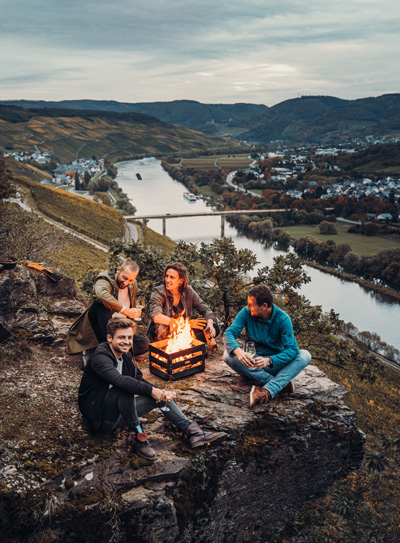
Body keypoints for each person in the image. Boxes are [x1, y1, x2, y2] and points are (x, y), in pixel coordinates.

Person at [78, 317, 227, 459]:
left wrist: (159, 392)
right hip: (98, 418)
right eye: (121, 337)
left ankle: (193, 432)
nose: (127, 342)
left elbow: (139, 379)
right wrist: (151, 391)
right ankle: (139, 437)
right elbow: (119, 380)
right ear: (110, 338)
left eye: (129, 338)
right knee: (124, 387)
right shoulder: (100, 357)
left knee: (156, 394)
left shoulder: (126, 356)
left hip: (117, 413)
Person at [223, 284, 311, 408]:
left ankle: (268, 389)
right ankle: (281, 384)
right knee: (227, 355)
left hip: (274, 363)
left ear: (264, 306)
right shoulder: (246, 312)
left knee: (305, 355)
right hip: (252, 361)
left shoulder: (283, 319)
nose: (248, 307)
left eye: (251, 304)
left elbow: (292, 350)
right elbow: (229, 333)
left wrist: (269, 361)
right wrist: (238, 352)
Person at [67, 260, 149, 362]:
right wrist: (126, 311)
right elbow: (101, 295)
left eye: (131, 280)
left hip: (120, 329)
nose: (126, 282)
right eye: (124, 278)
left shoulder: (133, 285)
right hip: (102, 326)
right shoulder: (104, 278)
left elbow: (130, 306)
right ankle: (116, 354)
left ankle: (99, 355)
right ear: (118, 270)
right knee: (102, 304)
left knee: (144, 343)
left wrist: (132, 316)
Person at [147, 262, 219, 345]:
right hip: (161, 333)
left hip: (181, 331)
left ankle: (183, 345)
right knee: (160, 328)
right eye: (166, 276)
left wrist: (210, 324)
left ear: (181, 281)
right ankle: (187, 346)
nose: (167, 280)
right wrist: (186, 324)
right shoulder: (158, 292)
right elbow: (157, 317)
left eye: (172, 277)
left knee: (214, 327)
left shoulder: (188, 290)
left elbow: (205, 309)